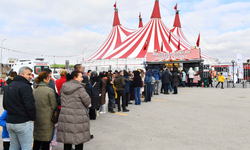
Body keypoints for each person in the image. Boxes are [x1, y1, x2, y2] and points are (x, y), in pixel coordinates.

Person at [3, 66, 36, 150]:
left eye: (31, 74)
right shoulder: (25, 86)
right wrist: (32, 118)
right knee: (26, 146)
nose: (31, 76)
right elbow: (30, 105)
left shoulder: (8, 86)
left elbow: (4, 105)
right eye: (28, 74)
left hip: (10, 122)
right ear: (21, 74)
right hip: (23, 122)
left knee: (13, 146)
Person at [57, 71, 91, 150]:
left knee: (67, 139)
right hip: (78, 117)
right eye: (80, 77)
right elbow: (88, 102)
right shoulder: (80, 88)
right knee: (78, 140)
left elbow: (60, 99)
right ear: (75, 78)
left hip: (65, 116)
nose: (82, 79)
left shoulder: (64, 86)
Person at [33, 71, 57, 150]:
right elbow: (54, 106)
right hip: (47, 119)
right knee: (46, 141)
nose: (50, 79)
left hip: (36, 118)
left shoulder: (34, 89)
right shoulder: (49, 90)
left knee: (37, 140)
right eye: (48, 78)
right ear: (44, 79)